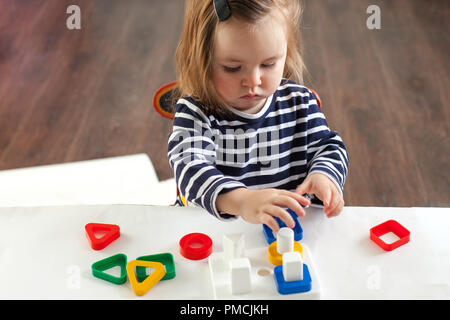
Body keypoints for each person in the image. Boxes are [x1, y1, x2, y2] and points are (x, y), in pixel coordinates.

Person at [168, 0, 348, 232]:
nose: (253, 81)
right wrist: (242, 202)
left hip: (285, 233)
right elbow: (189, 168)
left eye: (269, 64)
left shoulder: (300, 103)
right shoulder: (196, 112)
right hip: (213, 235)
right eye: (232, 68)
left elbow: (329, 147)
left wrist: (324, 175)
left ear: (287, 53)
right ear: (202, 59)